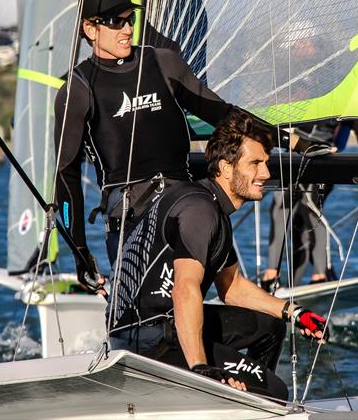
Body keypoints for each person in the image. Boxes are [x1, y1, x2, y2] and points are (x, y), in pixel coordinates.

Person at [53, 0, 331, 292]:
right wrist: (80, 253)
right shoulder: (77, 89)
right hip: (130, 222)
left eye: (130, 19)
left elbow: (225, 114)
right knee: (150, 324)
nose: (128, 29)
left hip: (183, 206)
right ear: (91, 29)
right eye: (116, 22)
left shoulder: (162, 63)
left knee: (250, 319)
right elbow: (66, 175)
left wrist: (293, 142)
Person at [107, 111, 329, 400]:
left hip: (161, 324)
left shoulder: (209, 204)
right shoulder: (200, 211)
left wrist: (294, 312)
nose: (266, 174)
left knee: (270, 327)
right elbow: (185, 290)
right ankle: (229, 398)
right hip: (147, 338)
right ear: (226, 167)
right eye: (255, 164)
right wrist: (202, 370)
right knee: (275, 390)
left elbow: (232, 287)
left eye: (266, 163)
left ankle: (238, 399)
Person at [262, 120, 358, 291]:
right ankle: (292, 286)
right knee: (297, 221)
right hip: (296, 152)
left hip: (321, 158)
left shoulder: (340, 102)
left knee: (304, 210)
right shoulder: (305, 95)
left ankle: (312, 275)